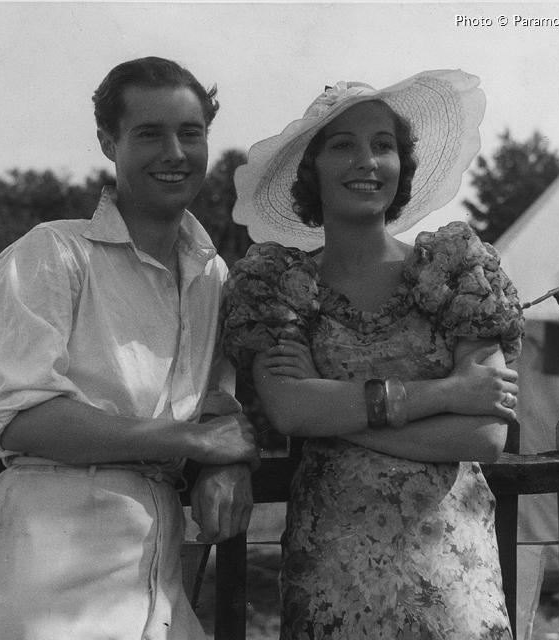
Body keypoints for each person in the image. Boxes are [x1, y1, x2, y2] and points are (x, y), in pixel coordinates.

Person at [221, 71, 524, 639]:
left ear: (401, 166)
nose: (367, 161)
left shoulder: (456, 269)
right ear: (311, 171)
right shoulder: (278, 285)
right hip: (333, 577)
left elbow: (483, 438)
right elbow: (289, 413)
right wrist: (447, 394)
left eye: (383, 145)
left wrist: (333, 414)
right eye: (344, 145)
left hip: (451, 575)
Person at [0, 57, 258, 640]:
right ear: (108, 141)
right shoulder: (51, 253)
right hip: (51, 554)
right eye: (149, 133)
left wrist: (226, 460)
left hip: (157, 563)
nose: (174, 152)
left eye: (191, 133)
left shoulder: (213, 275)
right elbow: (25, 419)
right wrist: (186, 440)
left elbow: (217, 403)